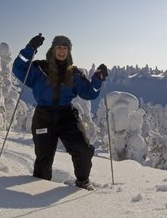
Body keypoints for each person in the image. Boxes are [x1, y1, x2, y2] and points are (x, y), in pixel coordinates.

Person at [12, 33, 108, 190]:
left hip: (66, 115)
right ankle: (39, 187)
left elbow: (89, 92)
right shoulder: (39, 68)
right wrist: (30, 48)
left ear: (69, 51)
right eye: (59, 47)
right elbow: (18, 68)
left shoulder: (74, 73)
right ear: (53, 49)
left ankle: (83, 182)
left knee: (82, 150)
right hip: (43, 116)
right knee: (44, 158)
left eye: (65, 48)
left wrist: (97, 78)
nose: (62, 51)